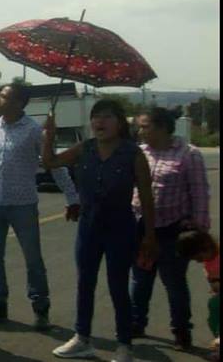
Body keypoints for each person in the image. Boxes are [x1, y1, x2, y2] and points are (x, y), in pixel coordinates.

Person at [44, 99, 158, 362]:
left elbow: (147, 198)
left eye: (107, 117)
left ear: (119, 123)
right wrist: (48, 135)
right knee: (85, 283)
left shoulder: (133, 154)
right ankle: (81, 338)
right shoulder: (85, 149)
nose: (100, 122)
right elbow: (49, 162)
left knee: (118, 286)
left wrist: (150, 236)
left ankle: (124, 346)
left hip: (121, 227)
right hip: (89, 226)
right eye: (96, 117)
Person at [0, 83, 80, 330]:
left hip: (23, 205)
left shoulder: (34, 131)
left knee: (32, 258)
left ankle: (40, 308)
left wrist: (72, 197)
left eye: (3, 96)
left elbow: (54, 165)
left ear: (18, 103)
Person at [130, 107, 211, 350]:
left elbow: (199, 193)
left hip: (172, 231)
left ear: (163, 127)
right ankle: (136, 323)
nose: (140, 131)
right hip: (142, 229)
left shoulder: (189, 154)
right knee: (140, 280)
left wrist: (200, 229)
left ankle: (181, 331)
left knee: (174, 283)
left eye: (145, 126)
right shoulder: (138, 153)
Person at [176, 230, 220, 361]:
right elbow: (211, 279)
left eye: (199, 258)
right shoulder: (208, 261)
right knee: (213, 318)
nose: (199, 262)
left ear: (206, 246)